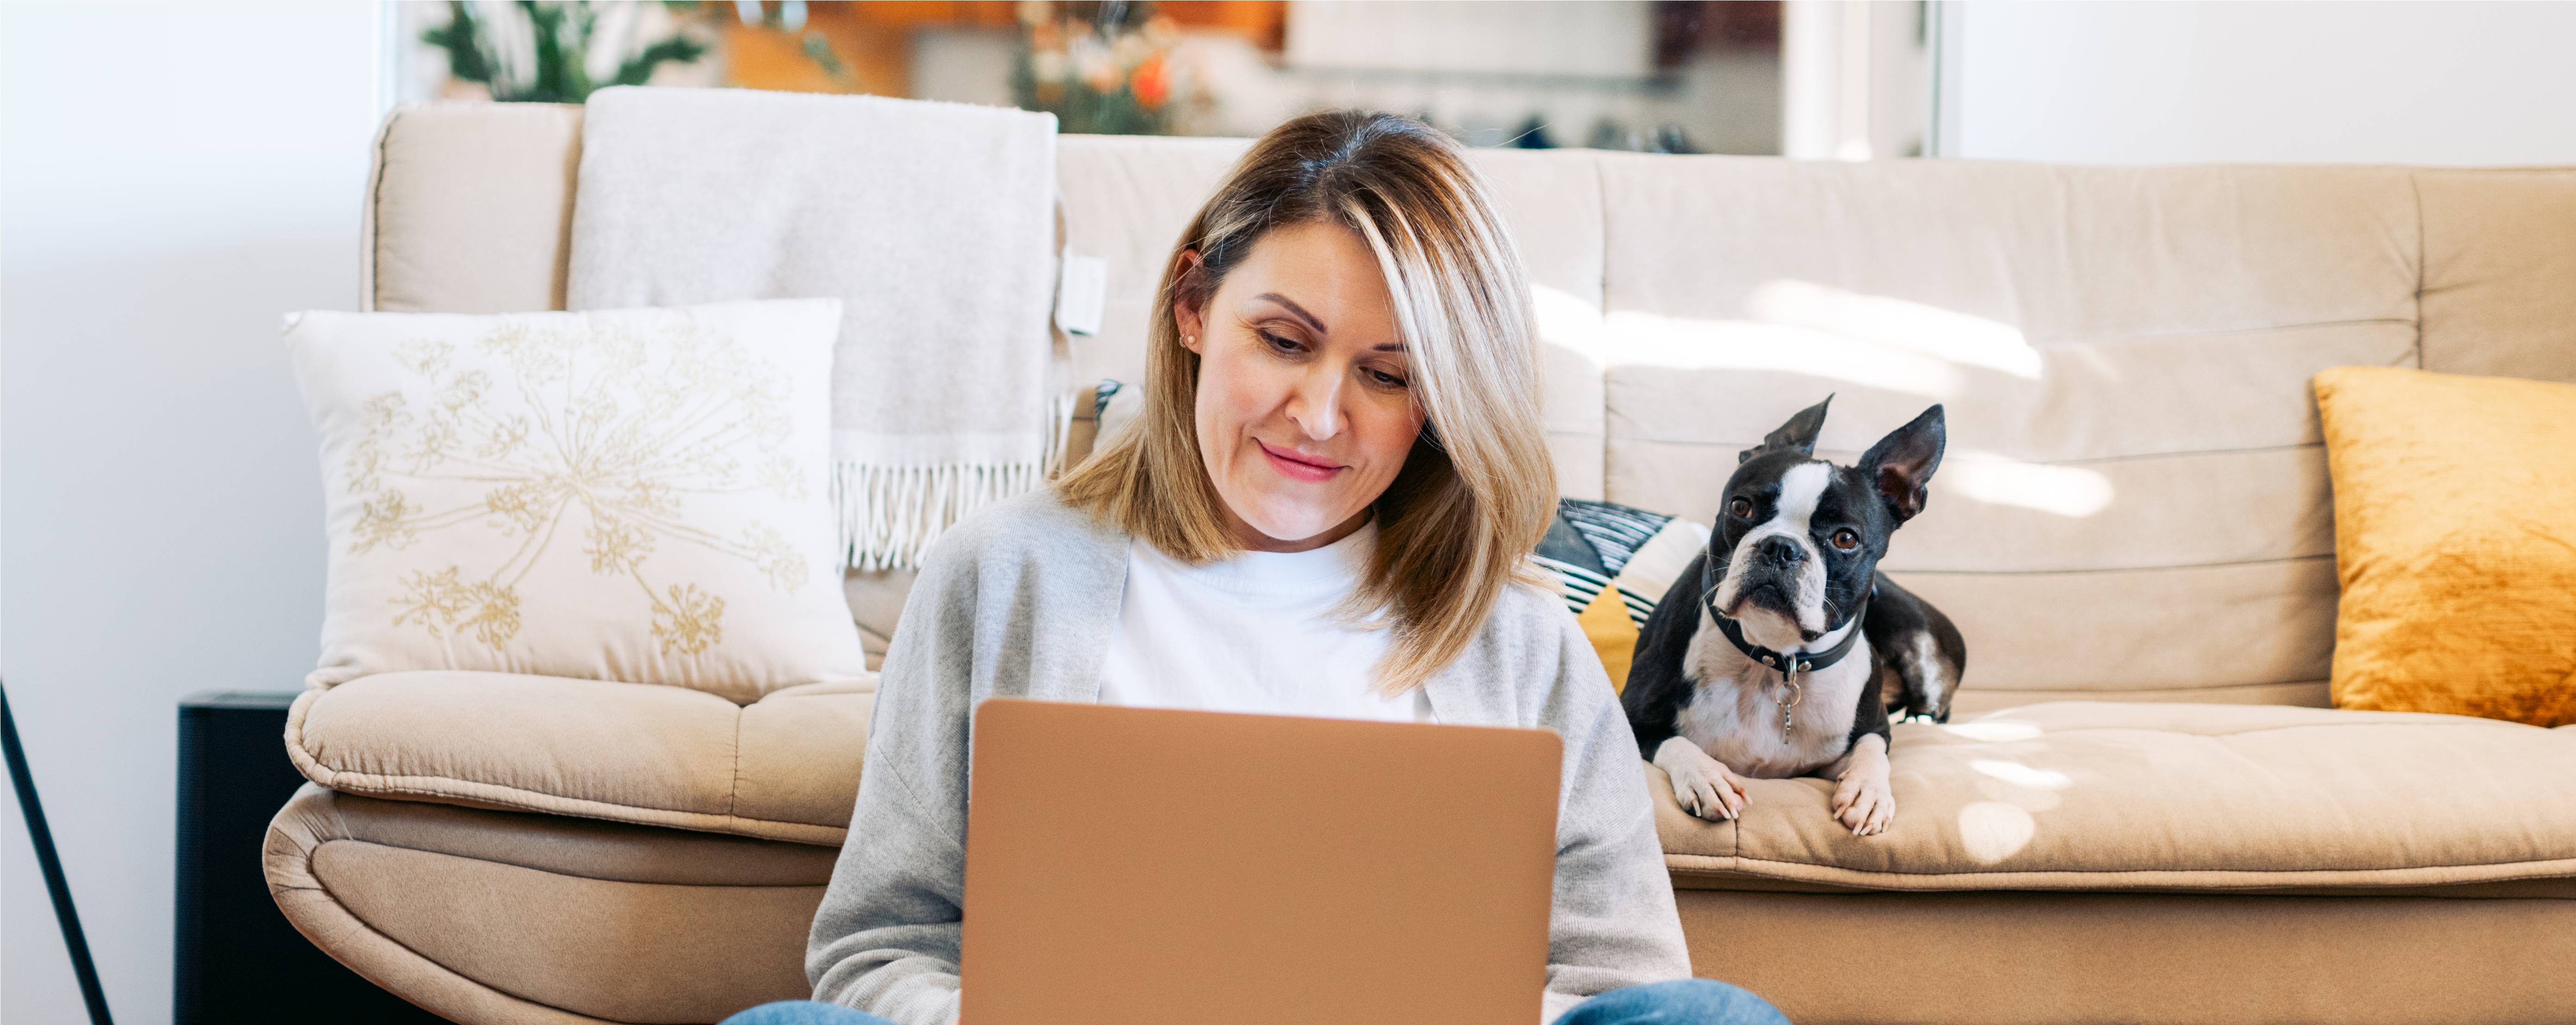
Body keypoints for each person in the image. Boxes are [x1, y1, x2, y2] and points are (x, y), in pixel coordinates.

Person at [729, 111, 1793, 1025]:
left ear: (1439, 407)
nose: (1320, 416)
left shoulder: (1518, 639)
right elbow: (882, 946)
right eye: (1284, 341)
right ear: (1194, 306)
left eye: (1386, 375)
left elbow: (1622, 980)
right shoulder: (1001, 575)